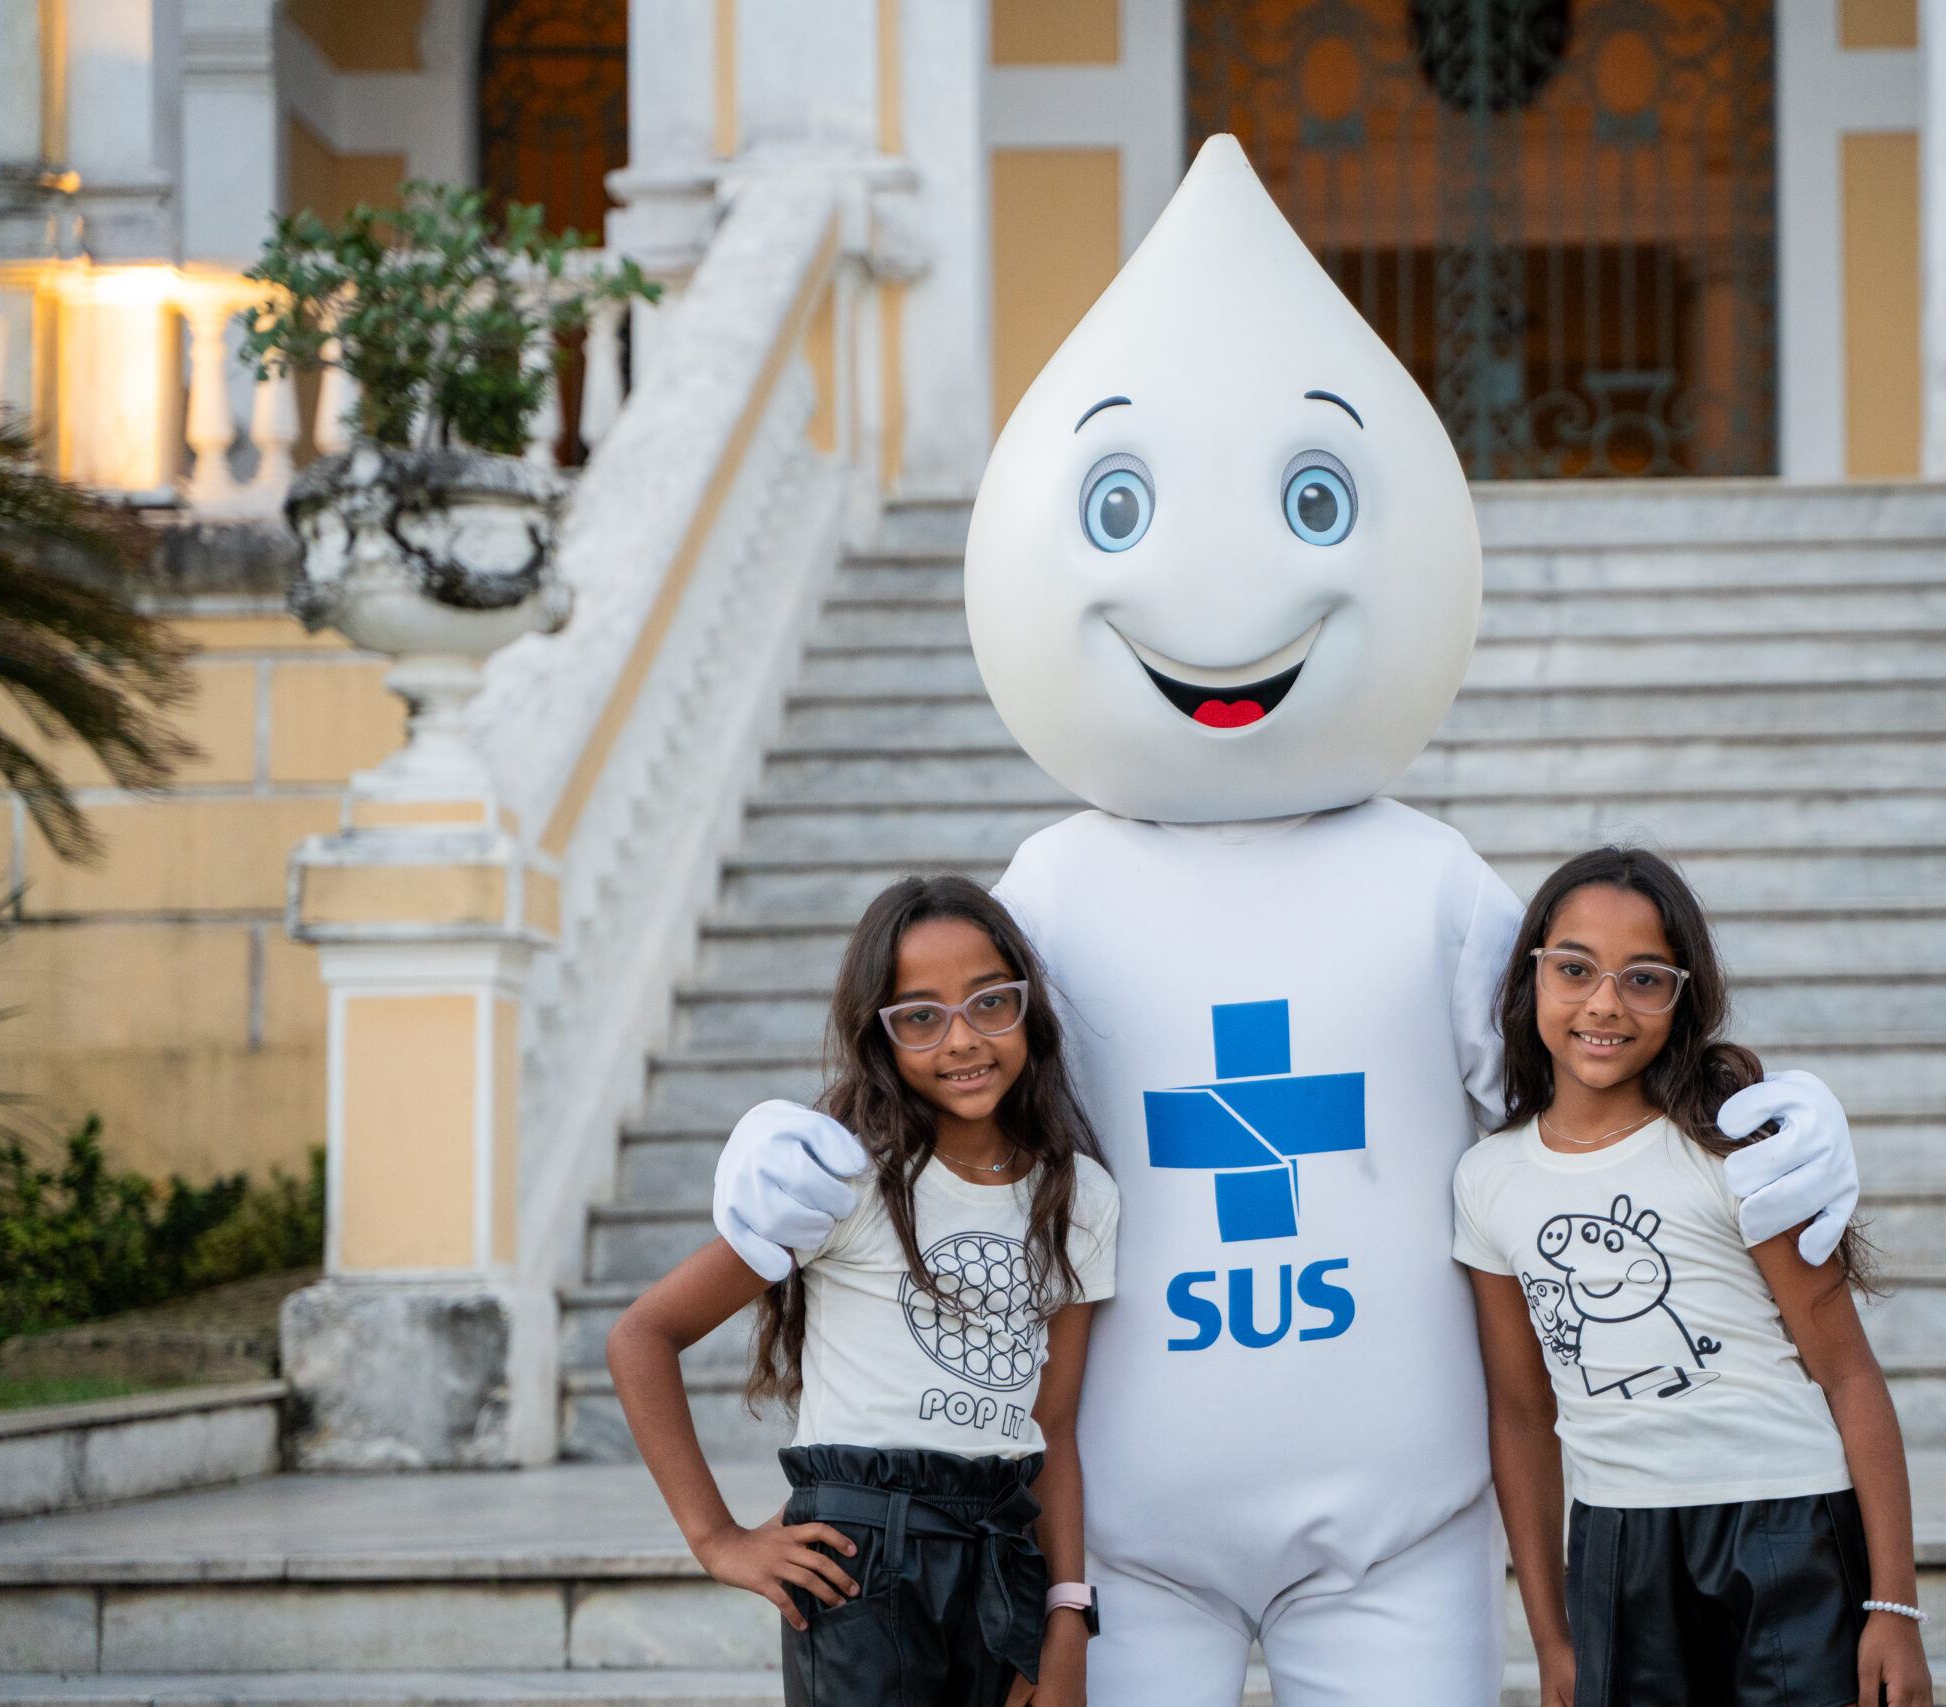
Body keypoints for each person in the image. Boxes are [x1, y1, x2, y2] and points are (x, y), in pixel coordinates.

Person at [711, 136, 1865, 1707]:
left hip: (1405, 1527)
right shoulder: (1051, 887)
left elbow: (1585, 1079)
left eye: (1317, 498)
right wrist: (784, 1143)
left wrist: (1764, 1118)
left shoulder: (1433, 878)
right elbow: (944, 1074)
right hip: (1117, 1535)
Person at [611, 875, 1119, 1707]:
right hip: (861, 1568)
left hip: (1004, 1561)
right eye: (921, 1016)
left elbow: (1053, 1427)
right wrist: (717, 1536)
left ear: (1029, 1005)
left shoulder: (1080, 1196)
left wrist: (1068, 1615)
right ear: (879, 1035)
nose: (963, 1038)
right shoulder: (844, 1180)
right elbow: (643, 1334)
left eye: (991, 1001)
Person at [1455, 846, 1932, 1707]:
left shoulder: (1736, 1148)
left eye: (1643, 978)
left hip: (1786, 1526)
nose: (1605, 1002)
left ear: (1683, 996)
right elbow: (1521, 1416)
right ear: (1530, 976)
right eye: (1575, 968)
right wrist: (1552, 1637)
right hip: (1616, 1545)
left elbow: (1849, 1372)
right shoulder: (1489, 1180)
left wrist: (1894, 1606)